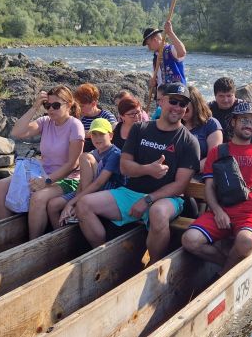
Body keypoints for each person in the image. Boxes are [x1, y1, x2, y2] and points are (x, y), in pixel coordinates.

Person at [74, 82, 200, 264]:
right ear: (162, 101)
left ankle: (154, 265)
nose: (178, 107)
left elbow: (179, 185)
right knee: (84, 204)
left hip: (167, 199)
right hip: (130, 192)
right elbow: (125, 166)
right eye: (174, 101)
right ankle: (102, 255)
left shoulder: (189, 142)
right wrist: (148, 169)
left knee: (157, 212)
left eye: (183, 104)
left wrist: (147, 199)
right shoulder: (140, 129)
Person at [181, 102, 252, 274]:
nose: (249, 124)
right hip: (223, 209)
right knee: (190, 240)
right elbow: (209, 187)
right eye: (244, 119)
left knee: (246, 241)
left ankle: (220, 278)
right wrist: (218, 211)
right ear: (233, 122)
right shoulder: (218, 151)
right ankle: (232, 266)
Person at [0, 86, 84, 239]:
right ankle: (8, 234)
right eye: (47, 106)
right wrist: (35, 107)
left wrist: (46, 181)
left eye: (56, 105)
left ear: (68, 105)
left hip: (68, 179)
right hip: (42, 173)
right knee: (0, 186)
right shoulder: (45, 122)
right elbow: (17, 132)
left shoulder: (75, 126)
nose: (51, 110)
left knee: (38, 198)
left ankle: (32, 242)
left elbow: (73, 164)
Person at [47, 118, 126, 227]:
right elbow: (83, 181)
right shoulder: (94, 152)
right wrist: (76, 199)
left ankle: (79, 209)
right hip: (89, 189)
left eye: (101, 134)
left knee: (85, 157)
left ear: (111, 136)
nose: (97, 138)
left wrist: (72, 202)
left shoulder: (115, 154)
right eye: (94, 134)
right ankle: (58, 236)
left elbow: (99, 183)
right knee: (52, 205)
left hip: (107, 192)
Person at [208, 77, 252, 141]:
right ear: (215, 95)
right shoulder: (208, 108)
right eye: (221, 96)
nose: (225, 100)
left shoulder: (245, 106)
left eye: (229, 96)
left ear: (235, 94)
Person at [181, 85, 222, 172]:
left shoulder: (211, 125)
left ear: (196, 107)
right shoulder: (177, 123)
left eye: (186, 110)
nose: (182, 113)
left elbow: (213, 157)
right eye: (180, 108)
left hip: (200, 175)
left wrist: (186, 172)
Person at [143, 19, 186, 91]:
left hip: (176, 95)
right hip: (163, 97)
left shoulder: (170, 50)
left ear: (155, 40)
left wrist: (170, 33)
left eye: (149, 44)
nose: (149, 48)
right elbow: (158, 79)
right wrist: (153, 83)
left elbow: (182, 52)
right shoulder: (155, 57)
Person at [74, 83, 117, 153]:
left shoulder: (107, 116)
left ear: (93, 104)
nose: (79, 109)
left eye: (82, 106)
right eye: (78, 106)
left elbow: (113, 130)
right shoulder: (81, 119)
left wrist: (88, 134)